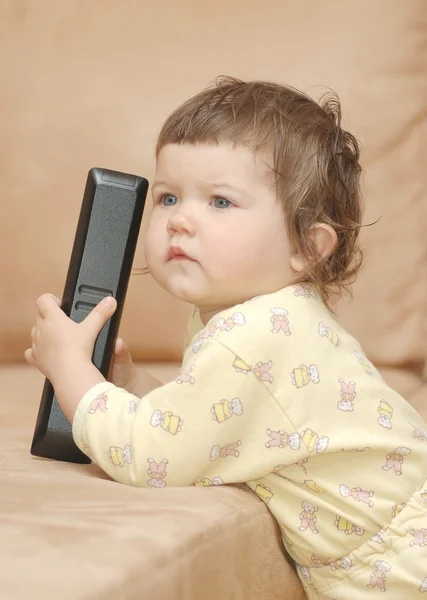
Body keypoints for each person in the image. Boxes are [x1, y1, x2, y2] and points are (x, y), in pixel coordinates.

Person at [25, 76, 427, 599]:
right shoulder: (268, 317)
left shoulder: (253, 335)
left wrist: (71, 372)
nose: (180, 221)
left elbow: (151, 456)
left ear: (307, 246)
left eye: (219, 202)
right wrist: (130, 385)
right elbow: (210, 424)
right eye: (168, 197)